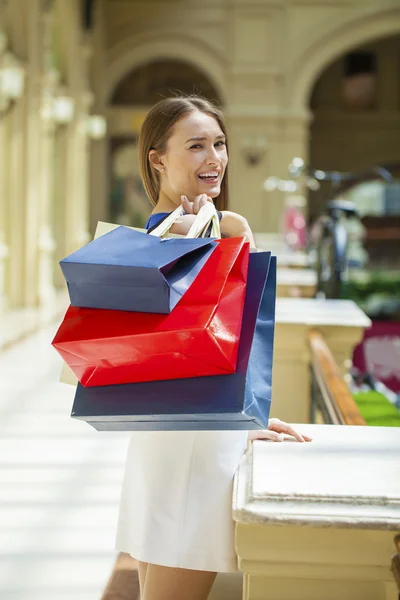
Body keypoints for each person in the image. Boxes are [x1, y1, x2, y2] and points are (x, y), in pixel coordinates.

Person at [115, 95, 312, 600]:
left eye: (219, 144)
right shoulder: (176, 238)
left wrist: (251, 416)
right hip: (190, 444)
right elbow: (180, 351)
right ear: (158, 158)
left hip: (187, 435)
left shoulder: (224, 227)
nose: (215, 158)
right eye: (197, 145)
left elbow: (228, 343)